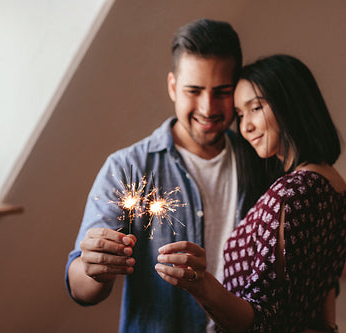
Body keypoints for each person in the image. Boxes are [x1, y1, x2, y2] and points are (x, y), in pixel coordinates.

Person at [65, 19, 268, 332]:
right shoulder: (127, 167)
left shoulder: (262, 160)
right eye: (194, 90)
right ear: (173, 86)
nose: (208, 107)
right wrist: (94, 268)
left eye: (222, 92)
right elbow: (81, 289)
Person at [155, 54, 346, 333]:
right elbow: (324, 285)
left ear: (291, 103)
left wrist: (201, 284)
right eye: (240, 114)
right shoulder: (335, 184)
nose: (245, 127)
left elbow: (262, 321)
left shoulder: (290, 193)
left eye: (256, 107)